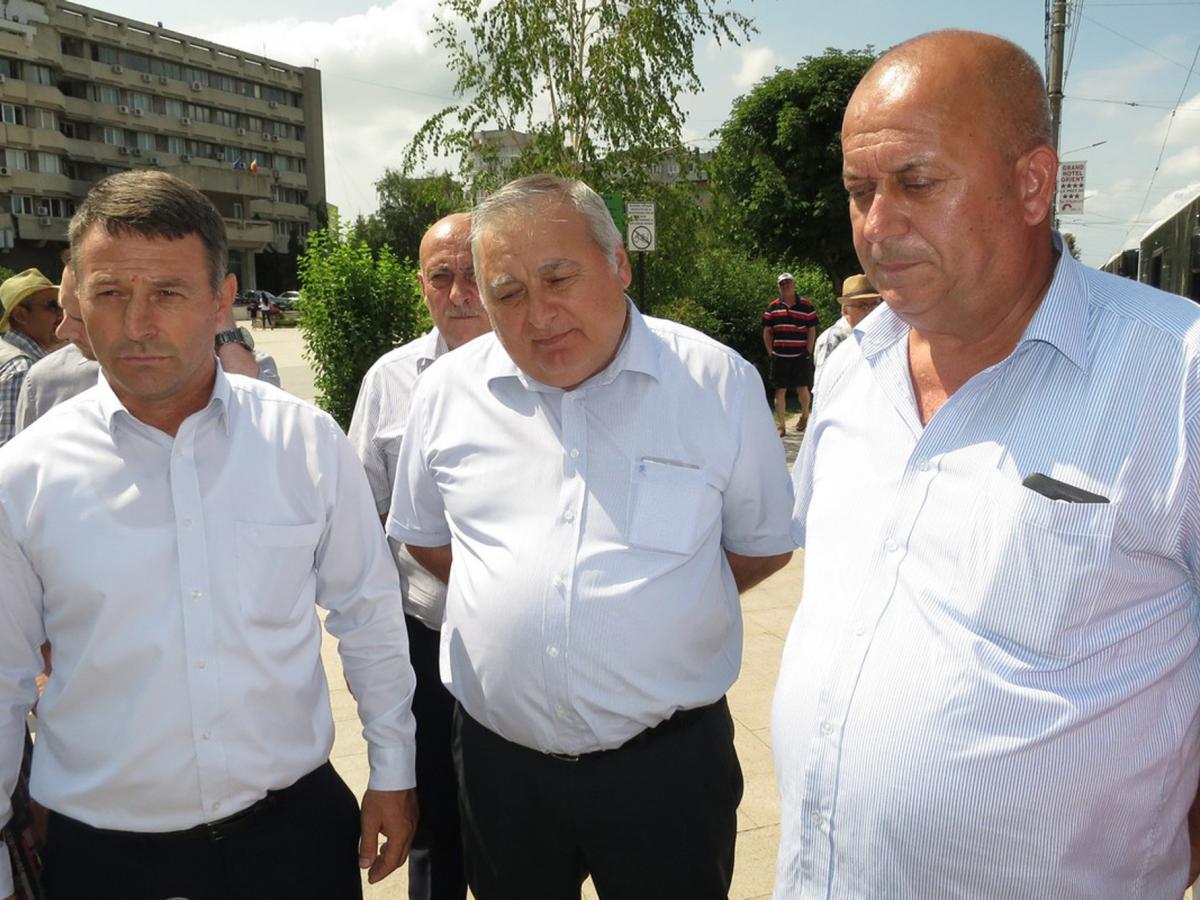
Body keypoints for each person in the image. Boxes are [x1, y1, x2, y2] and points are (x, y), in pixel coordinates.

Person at [773, 29, 1200, 899]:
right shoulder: (851, 369)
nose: (876, 226)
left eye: (916, 182)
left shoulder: (1176, 376)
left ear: (1033, 184)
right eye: (859, 191)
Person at [0, 170, 419, 900]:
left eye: (168, 292)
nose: (137, 324)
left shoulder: (304, 443)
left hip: (295, 842)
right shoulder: (22, 478)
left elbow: (367, 614)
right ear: (77, 300)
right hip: (105, 862)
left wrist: (394, 769)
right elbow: (4, 678)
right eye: (110, 293)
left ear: (222, 299)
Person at [388, 175, 796, 900]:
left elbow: (760, 546)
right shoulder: (446, 393)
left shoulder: (715, 384)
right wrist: (517, 596)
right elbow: (426, 539)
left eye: (558, 278)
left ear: (619, 265)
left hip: (666, 773)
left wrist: (658, 606)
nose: (538, 314)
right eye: (508, 292)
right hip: (502, 772)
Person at [348, 212, 490, 900]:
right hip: (424, 636)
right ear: (422, 285)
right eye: (442, 276)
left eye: (474, 274)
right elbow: (360, 515)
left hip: (520, 646)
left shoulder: (548, 365)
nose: (459, 292)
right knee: (433, 815)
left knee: (515, 818)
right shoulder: (390, 379)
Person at [15, 258, 279, 430]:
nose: (62, 331)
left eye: (78, 319)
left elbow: (261, 431)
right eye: (61, 310)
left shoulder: (246, 368)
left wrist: (223, 327)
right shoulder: (45, 382)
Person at [0, 270, 63, 447]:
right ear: (20, 315)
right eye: (52, 306)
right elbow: (9, 445)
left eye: (62, 305)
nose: (62, 314)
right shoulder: (22, 369)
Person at [762, 273, 817, 436]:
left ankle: (805, 415)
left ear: (794, 284)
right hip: (780, 355)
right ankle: (782, 426)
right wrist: (770, 351)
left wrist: (809, 350)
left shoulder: (806, 306)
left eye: (788, 283)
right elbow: (767, 331)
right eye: (782, 284)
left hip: (800, 354)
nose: (785, 286)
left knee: (803, 388)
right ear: (779, 287)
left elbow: (812, 329)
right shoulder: (772, 307)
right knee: (780, 390)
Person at [811, 274, 881, 376]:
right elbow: (823, 382)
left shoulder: (877, 333)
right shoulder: (832, 340)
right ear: (845, 311)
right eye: (863, 305)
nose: (871, 311)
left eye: (875, 304)